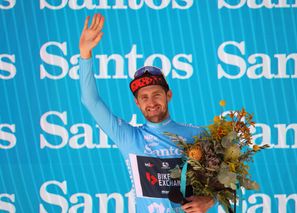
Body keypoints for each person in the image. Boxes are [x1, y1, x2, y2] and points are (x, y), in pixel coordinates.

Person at [79, 13, 215, 213]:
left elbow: (225, 184)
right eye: (144, 97)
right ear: (137, 102)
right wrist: (85, 54)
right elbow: (90, 101)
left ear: (168, 95)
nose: (151, 102)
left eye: (156, 94)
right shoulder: (128, 137)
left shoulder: (197, 135)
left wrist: (209, 201)